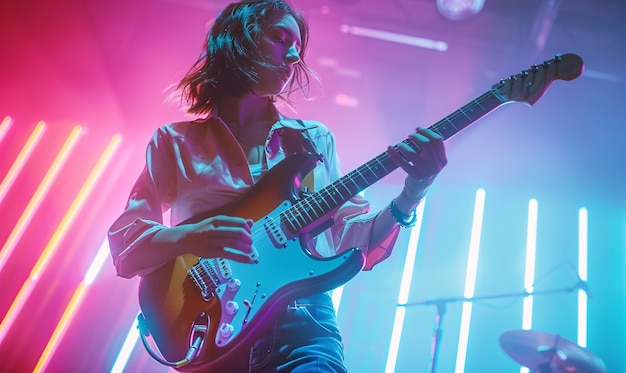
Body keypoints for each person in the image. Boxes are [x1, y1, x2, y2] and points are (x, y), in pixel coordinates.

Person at [107, 0, 447, 372]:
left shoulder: (313, 141)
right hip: (213, 328)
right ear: (238, 39)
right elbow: (127, 245)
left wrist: (413, 192)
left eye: (297, 46)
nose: (293, 54)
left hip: (303, 327)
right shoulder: (174, 143)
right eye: (279, 38)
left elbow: (352, 243)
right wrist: (193, 237)